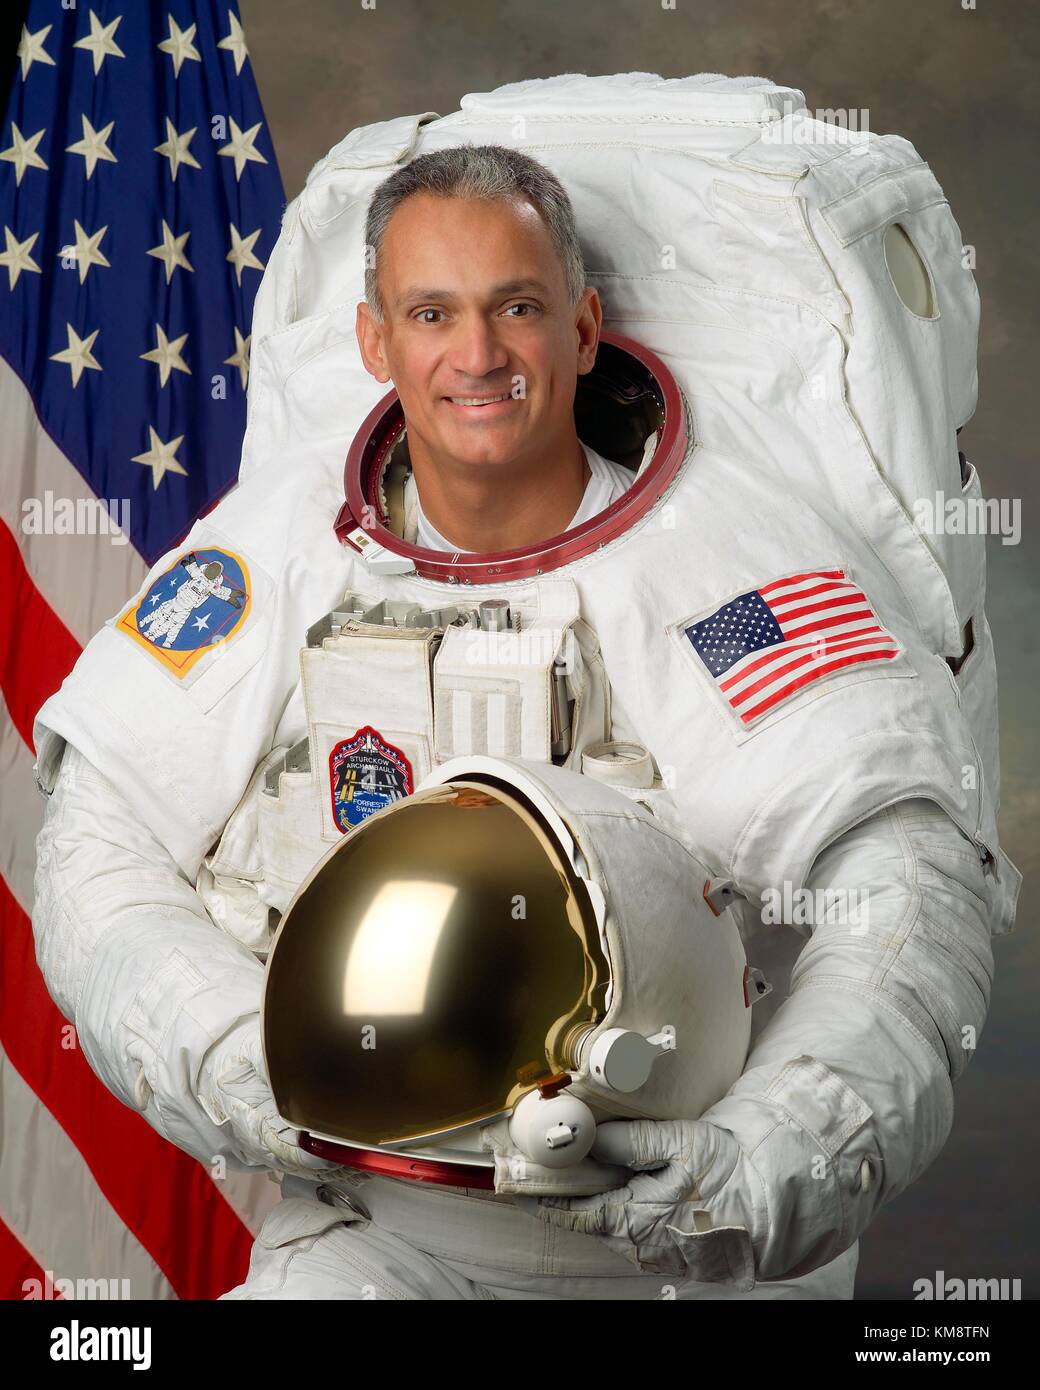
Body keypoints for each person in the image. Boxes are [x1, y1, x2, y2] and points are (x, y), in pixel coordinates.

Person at [31, 142, 1018, 1301]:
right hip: (383, 1228)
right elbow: (96, 849)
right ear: (373, 342)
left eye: (516, 306)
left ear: (585, 327)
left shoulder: (724, 576)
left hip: (680, 1237)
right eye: (432, 312)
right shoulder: (278, 549)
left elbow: (904, 890)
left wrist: (766, 1160)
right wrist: (242, 1064)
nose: (478, 354)